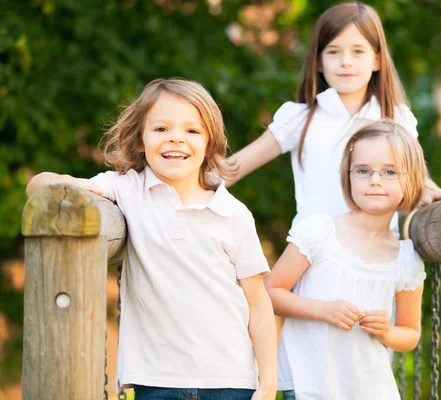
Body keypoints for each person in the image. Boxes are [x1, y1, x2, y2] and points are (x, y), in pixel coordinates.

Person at [26, 78, 277, 400]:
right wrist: (67, 184)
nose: (176, 139)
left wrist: (267, 382)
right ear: (141, 140)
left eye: (192, 131)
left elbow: (258, 302)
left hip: (229, 379)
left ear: (210, 143)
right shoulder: (129, 188)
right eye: (161, 129)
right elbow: (37, 184)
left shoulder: (233, 213)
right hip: (155, 379)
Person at [227, 1, 441, 236]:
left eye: (358, 51)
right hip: (314, 257)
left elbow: (418, 180)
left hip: (379, 254)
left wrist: (434, 192)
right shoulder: (299, 118)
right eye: (334, 51)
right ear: (319, 63)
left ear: (376, 59)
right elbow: (234, 168)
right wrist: (191, 181)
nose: (346, 61)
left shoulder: (395, 117)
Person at [265, 119, 427, 400]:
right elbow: (270, 293)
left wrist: (387, 332)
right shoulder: (318, 231)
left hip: (370, 390)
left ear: (410, 178)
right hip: (308, 385)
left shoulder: (406, 259)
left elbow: (410, 334)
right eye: (363, 170)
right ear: (348, 175)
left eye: (390, 172)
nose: (375, 180)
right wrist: (323, 310)